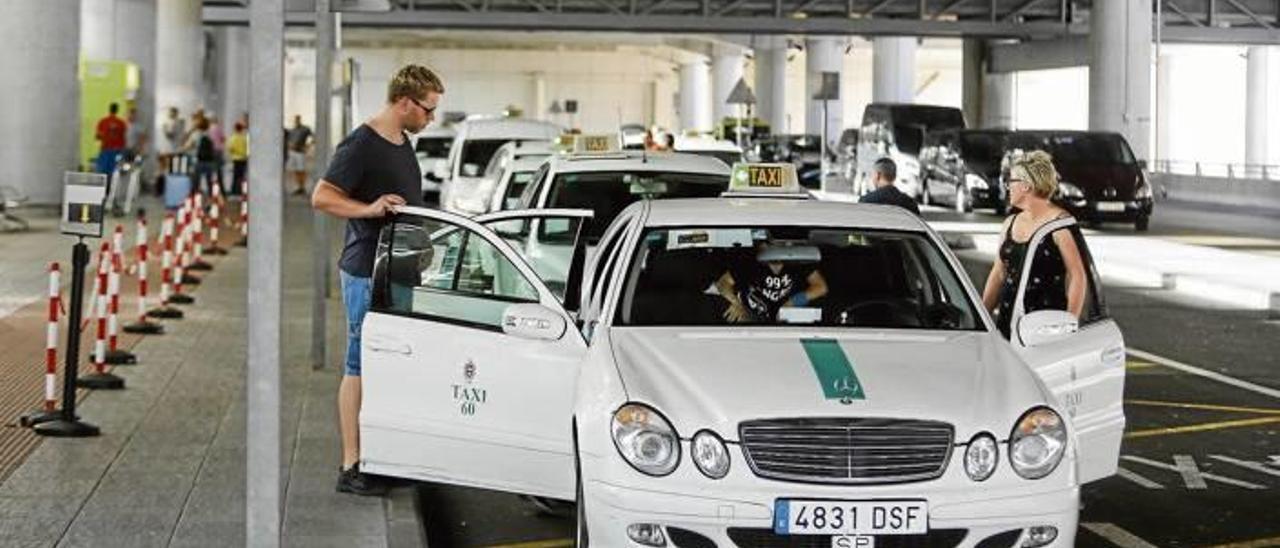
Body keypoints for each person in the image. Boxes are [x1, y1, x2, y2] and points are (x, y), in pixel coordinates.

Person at [311, 64, 443, 496]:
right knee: (360, 364)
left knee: (389, 366)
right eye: (428, 110)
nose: (431, 119)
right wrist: (368, 210)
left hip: (399, 268)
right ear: (405, 102)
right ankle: (351, 465)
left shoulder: (403, 142)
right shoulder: (361, 143)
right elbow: (322, 196)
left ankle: (379, 456)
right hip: (367, 270)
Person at [981, 150, 1088, 340]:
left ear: (1026, 186)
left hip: (1045, 329)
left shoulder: (1060, 224)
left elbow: (1078, 276)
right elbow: (998, 273)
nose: (1007, 187)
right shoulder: (1010, 223)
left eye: (1011, 181)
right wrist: (981, 318)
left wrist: (1068, 327)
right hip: (1007, 326)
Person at [715, 236, 829, 323]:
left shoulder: (797, 260)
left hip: (784, 321)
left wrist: (791, 304)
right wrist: (736, 303)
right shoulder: (749, 261)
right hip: (750, 319)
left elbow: (820, 287)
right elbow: (723, 283)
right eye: (765, 245)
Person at [95, 103, 128, 177]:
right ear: (117, 110)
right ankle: (112, 186)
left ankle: (105, 187)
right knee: (115, 171)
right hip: (117, 150)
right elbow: (124, 137)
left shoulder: (103, 121)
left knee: (103, 171)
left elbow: (98, 136)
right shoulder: (121, 123)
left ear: (109, 109)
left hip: (106, 149)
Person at [287, 115, 314, 195]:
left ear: (300, 120)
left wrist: (307, 146)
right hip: (292, 152)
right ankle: (299, 187)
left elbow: (313, 138)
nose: (296, 121)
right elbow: (289, 140)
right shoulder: (293, 130)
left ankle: (302, 187)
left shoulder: (305, 129)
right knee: (296, 170)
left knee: (301, 170)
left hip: (300, 152)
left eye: (297, 119)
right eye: (295, 120)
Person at [227, 121, 249, 196]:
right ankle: (242, 191)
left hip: (236, 159)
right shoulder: (244, 138)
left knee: (235, 176)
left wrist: (234, 153)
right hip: (243, 159)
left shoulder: (233, 138)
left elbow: (230, 148)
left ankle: (234, 191)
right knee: (242, 176)